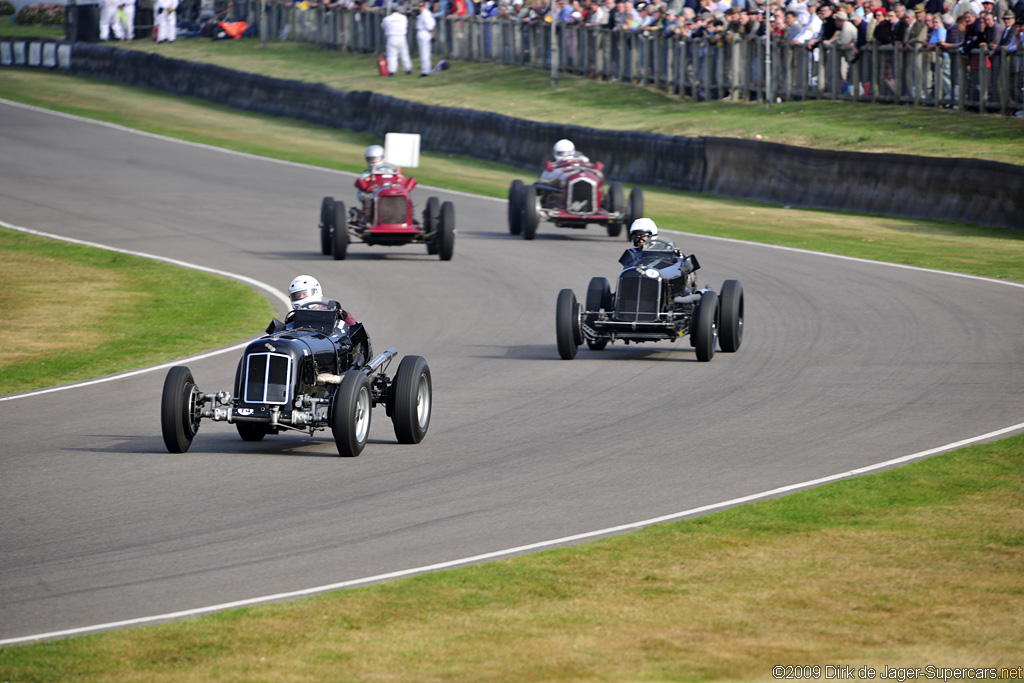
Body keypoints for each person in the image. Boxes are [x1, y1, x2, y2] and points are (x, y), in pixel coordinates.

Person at [286, 275, 358, 328]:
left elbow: (353, 328)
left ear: (316, 291)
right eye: (297, 295)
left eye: (304, 294)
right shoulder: (293, 318)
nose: (301, 297)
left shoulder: (332, 310)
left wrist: (341, 315)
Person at [381, 4, 413, 75]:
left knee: (392, 55)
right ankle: (408, 69)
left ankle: (392, 71)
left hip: (392, 37)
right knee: (404, 54)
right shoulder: (403, 18)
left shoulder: (387, 19)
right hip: (401, 37)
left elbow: (383, 26)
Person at [416, 0, 437, 76]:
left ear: (424, 6)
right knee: (425, 52)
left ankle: (425, 71)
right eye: (419, 6)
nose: (420, 8)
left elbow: (429, 26)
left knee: (424, 53)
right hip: (424, 32)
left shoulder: (425, 14)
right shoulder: (425, 13)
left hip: (424, 32)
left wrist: (432, 35)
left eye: (421, 6)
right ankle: (426, 69)